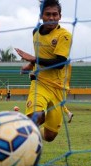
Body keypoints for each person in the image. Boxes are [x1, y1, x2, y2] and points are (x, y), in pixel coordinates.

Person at [15, 0, 72, 142]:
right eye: (48, 14)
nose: (52, 17)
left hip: (59, 88)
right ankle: (15, 139)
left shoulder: (64, 36)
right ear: (41, 16)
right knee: (37, 117)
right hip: (40, 83)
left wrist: (34, 60)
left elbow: (59, 63)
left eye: (55, 14)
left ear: (60, 16)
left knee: (49, 136)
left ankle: (29, 129)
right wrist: (31, 64)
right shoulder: (35, 32)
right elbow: (43, 55)